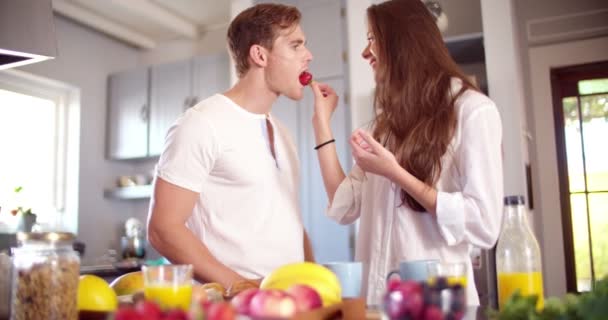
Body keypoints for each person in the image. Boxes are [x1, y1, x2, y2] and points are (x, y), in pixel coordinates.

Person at [309, 0, 504, 306]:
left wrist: (396, 174)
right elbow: (344, 206)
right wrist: (321, 123)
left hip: (436, 304)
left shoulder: (473, 110)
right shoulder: (387, 125)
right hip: (378, 303)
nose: (364, 52)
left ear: (404, 42)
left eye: (372, 39)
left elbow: (484, 224)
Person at [147, 3, 315, 290]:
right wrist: (243, 289)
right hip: (234, 308)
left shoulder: (282, 132)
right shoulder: (201, 124)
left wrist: (314, 281)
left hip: (291, 302)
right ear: (260, 55)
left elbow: (290, 221)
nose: (308, 56)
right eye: (296, 45)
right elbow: (164, 230)